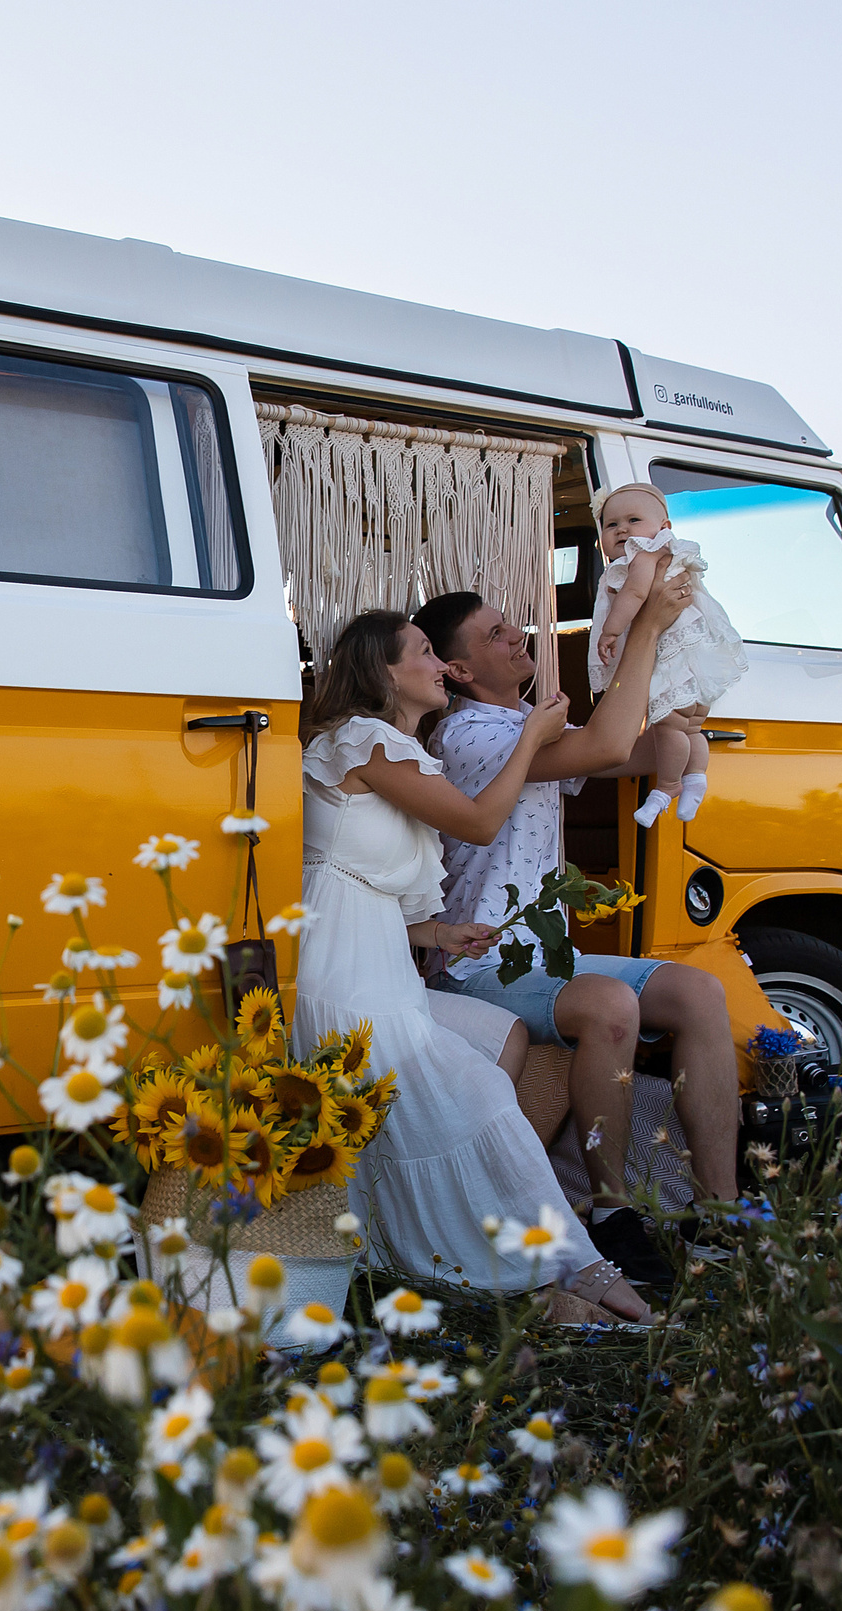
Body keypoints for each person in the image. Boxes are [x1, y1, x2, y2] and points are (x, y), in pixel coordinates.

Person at [297, 609, 651, 1323]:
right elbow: (481, 822)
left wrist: (439, 929)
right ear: (385, 672)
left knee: (492, 1053)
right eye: (425, 653)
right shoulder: (360, 742)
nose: (438, 667)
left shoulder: (397, 753)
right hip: (344, 981)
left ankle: (525, 1267)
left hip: (382, 969)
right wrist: (531, 737)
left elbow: (366, 882)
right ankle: (570, 1271)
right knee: (480, 1094)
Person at [413, 587, 742, 1282]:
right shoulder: (469, 735)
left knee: (699, 992)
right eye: (496, 633)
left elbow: (632, 751)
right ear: (463, 671)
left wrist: (682, 717)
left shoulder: (525, 720)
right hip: (481, 963)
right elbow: (607, 743)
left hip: (542, 955)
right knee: (610, 1005)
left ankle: (723, 1217)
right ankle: (611, 1210)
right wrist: (645, 624)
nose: (516, 635)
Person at [587, 482, 748, 827]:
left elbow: (634, 593)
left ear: (664, 528)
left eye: (633, 520)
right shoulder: (669, 554)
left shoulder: (645, 554)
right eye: (611, 524)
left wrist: (610, 631)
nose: (623, 530)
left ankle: (668, 786)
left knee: (668, 725)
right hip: (696, 658)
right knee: (692, 727)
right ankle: (695, 779)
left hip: (673, 657)